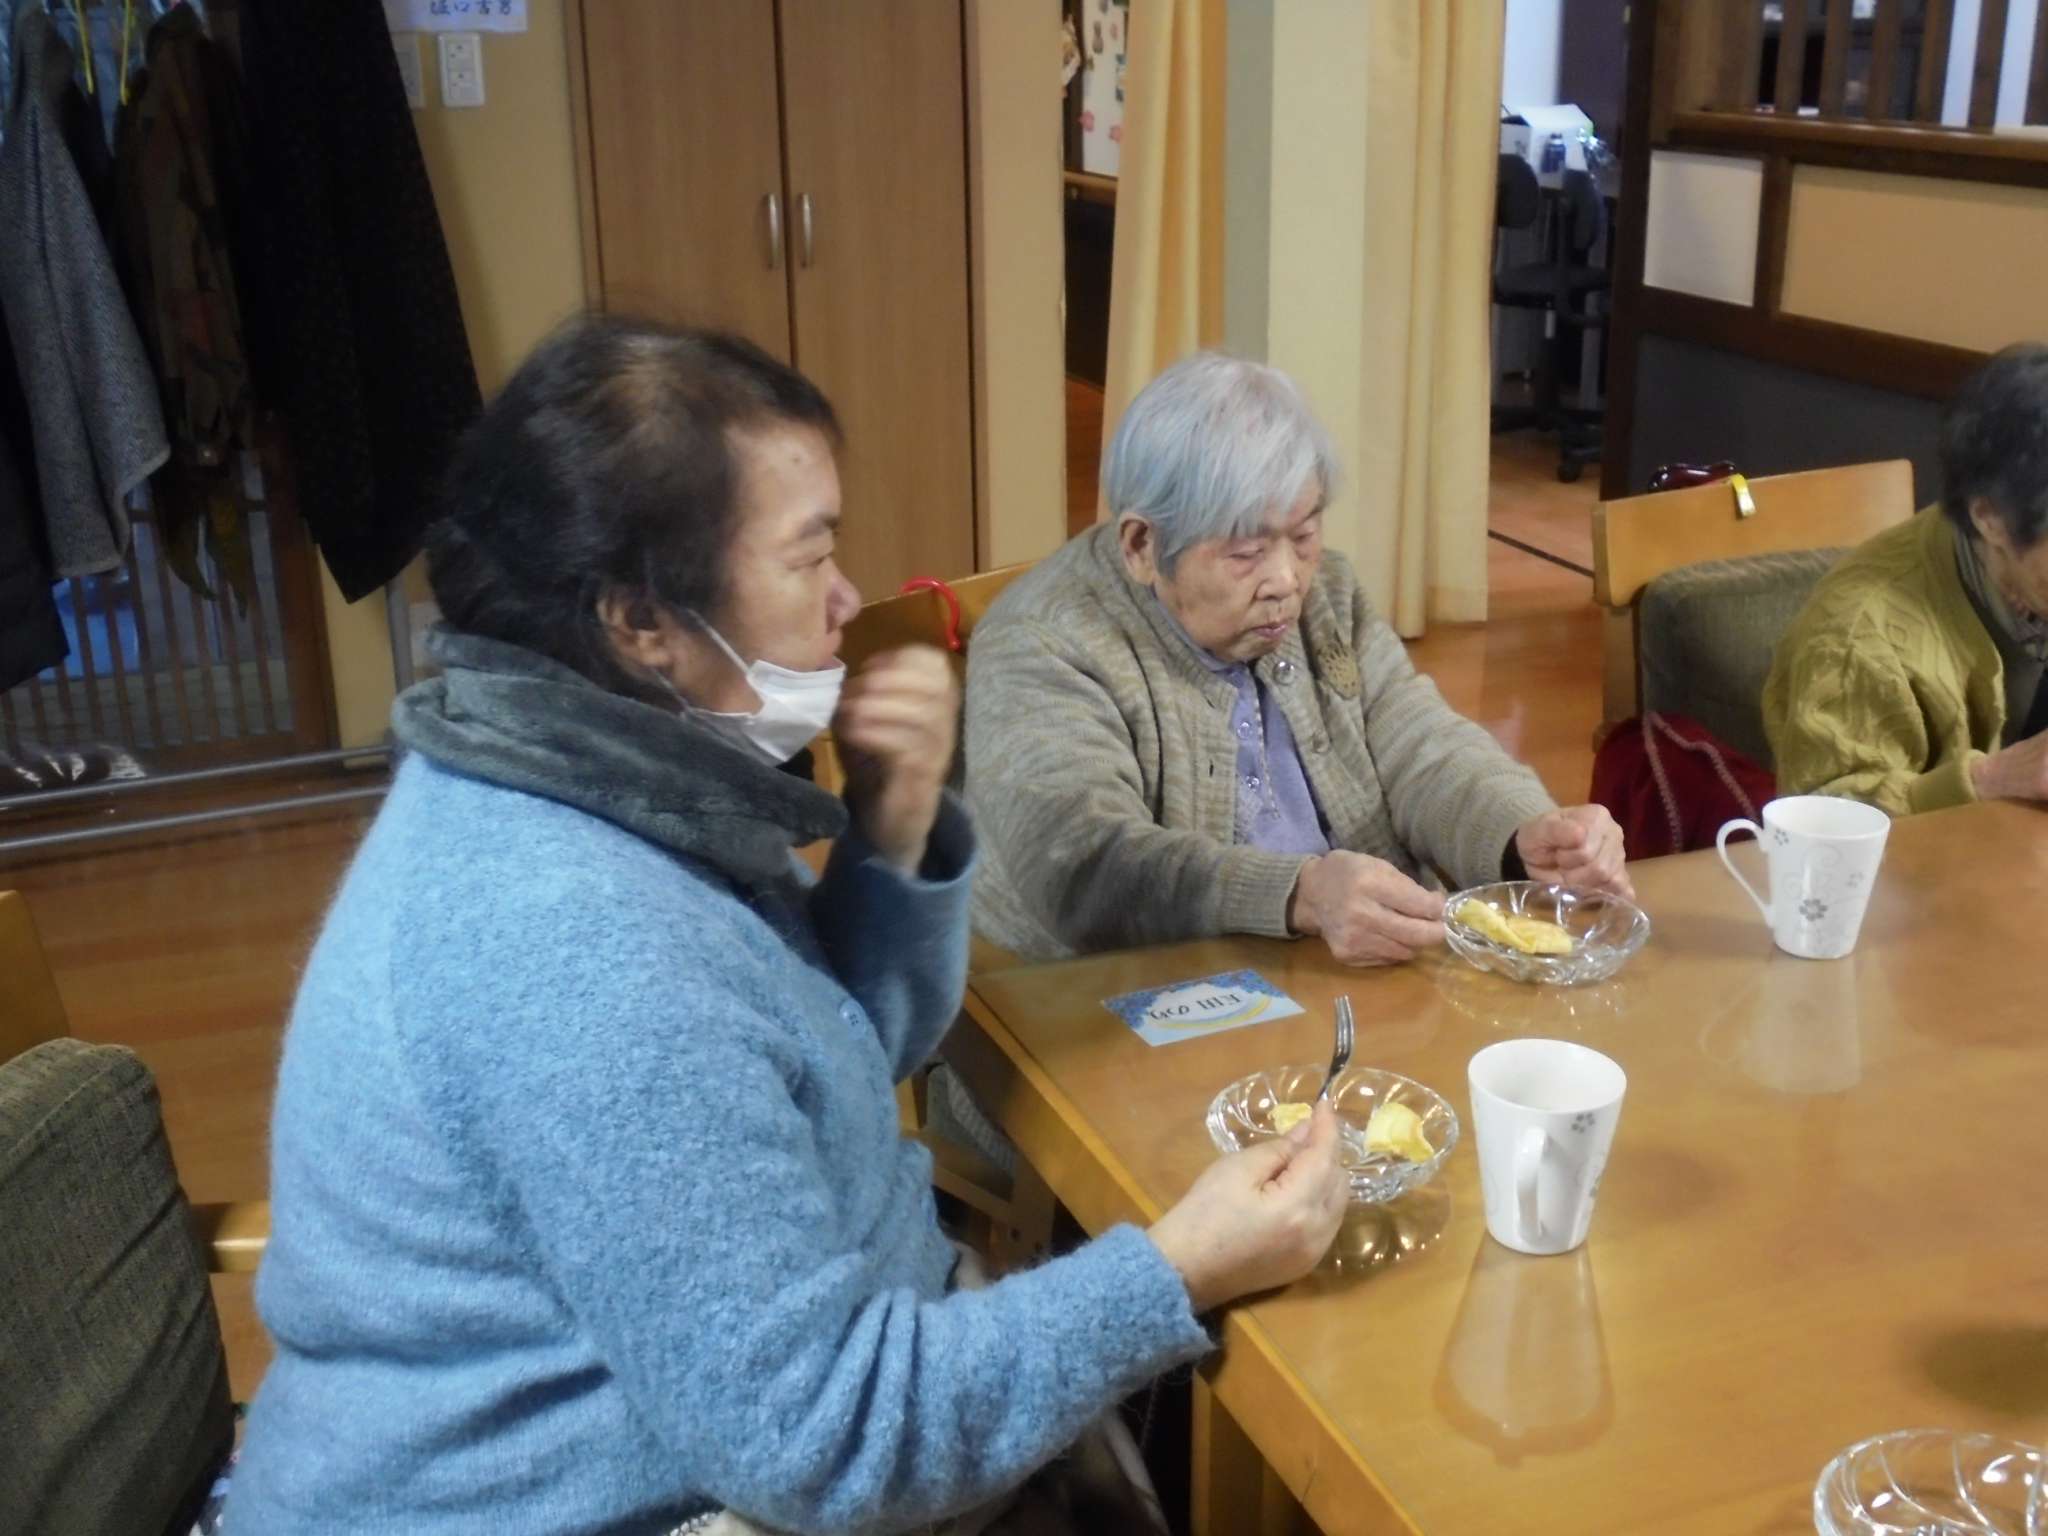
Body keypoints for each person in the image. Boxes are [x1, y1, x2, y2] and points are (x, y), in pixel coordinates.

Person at [226, 319, 1352, 1536]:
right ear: (640, 619)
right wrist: (1174, 1268)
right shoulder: (575, 947)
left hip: (786, 1394)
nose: (846, 600)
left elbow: (831, 1058)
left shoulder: (614, 773)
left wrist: (891, 835)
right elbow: (823, 1440)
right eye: (808, 556)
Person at [964, 352, 1630, 967]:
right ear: (1142, 545)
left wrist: (1520, 833)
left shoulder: (1326, 595)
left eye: (1304, 534)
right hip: (1131, 1000)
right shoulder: (1043, 640)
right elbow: (1082, 863)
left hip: (1349, 972)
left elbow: (1418, 743)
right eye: (1246, 553)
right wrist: (1299, 894)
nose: (1287, 580)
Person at [1764, 343, 2048, 814]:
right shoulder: (1858, 639)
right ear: (1990, 519)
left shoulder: (2025, 571)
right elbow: (1824, 817)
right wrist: (1991, 779)